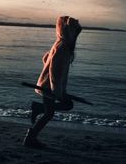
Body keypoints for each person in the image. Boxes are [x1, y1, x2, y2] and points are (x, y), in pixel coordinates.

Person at [23, 16, 82, 148]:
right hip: (49, 86)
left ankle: (37, 113)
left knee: (57, 109)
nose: (76, 35)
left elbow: (46, 59)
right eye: (74, 31)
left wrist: (57, 85)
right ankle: (30, 138)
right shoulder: (62, 46)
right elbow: (54, 69)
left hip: (50, 85)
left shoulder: (61, 43)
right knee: (57, 110)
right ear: (68, 31)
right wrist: (56, 90)